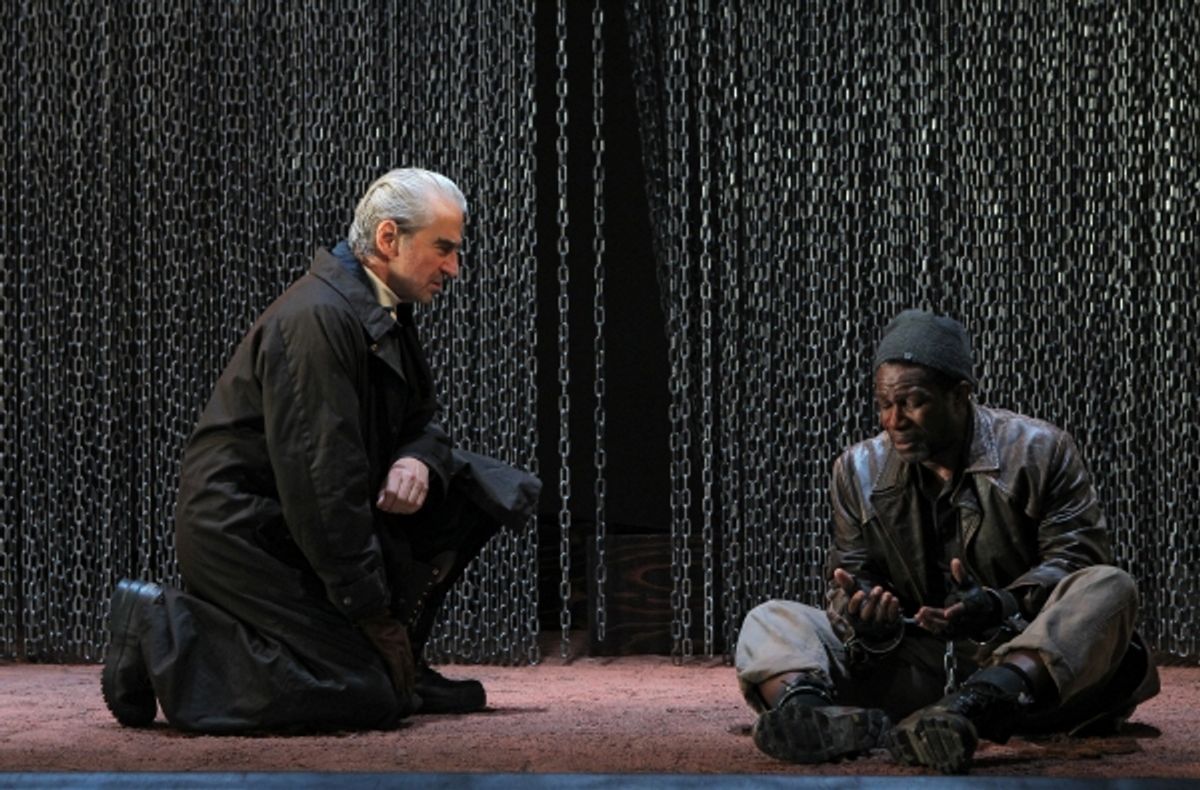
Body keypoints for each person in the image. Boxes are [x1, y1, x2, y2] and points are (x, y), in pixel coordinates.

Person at [102, 167, 540, 733]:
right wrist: (369, 611)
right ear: (389, 240)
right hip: (248, 536)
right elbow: (321, 486)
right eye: (443, 248)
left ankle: (398, 664)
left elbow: (424, 423)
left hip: (301, 524)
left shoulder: (380, 309)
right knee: (364, 696)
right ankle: (160, 627)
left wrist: (416, 459)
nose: (454, 267)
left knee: (477, 485)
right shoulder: (318, 319)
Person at [735, 309, 1159, 773]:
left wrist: (1000, 605)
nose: (894, 420)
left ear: (959, 396)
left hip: (1025, 661)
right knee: (769, 620)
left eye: (913, 402)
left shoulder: (1040, 450)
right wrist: (867, 619)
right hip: (917, 662)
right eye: (884, 404)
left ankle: (972, 707)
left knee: (1109, 586)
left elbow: (1078, 556)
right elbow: (851, 577)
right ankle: (812, 716)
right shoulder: (856, 470)